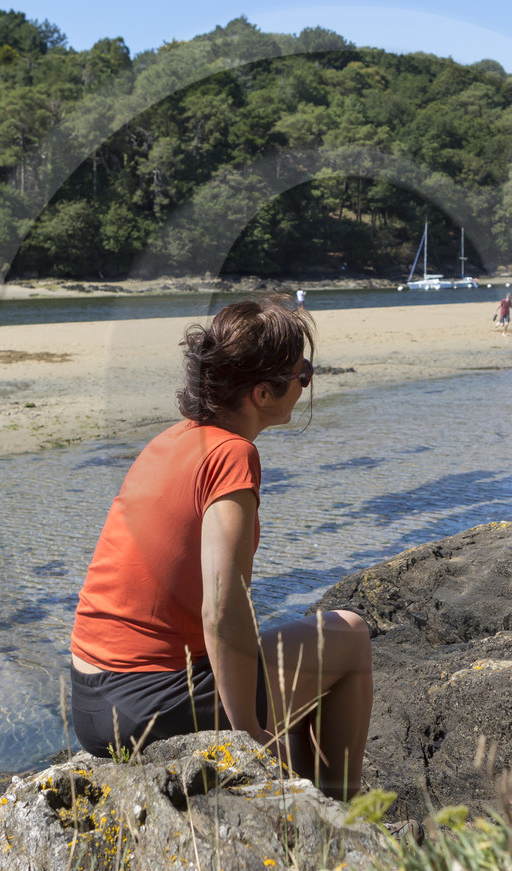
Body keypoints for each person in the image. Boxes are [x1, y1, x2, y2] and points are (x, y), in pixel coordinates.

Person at [67, 298, 372, 799]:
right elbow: (222, 606)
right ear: (261, 392)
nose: (306, 384)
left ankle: (310, 802)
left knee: (291, 709)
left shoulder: (173, 438)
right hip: (146, 702)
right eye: (304, 374)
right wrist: (246, 733)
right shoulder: (234, 456)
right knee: (351, 635)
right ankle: (344, 815)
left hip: (90, 702)